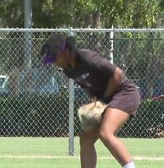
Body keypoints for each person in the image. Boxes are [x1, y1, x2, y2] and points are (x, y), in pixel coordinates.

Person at [40, 33, 141, 168]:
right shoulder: (68, 70)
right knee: (86, 139)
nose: (53, 62)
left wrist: (103, 101)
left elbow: (118, 75)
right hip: (107, 98)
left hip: (125, 93)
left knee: (106, 133)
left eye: (54, 57)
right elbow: (89, 86)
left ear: (65, 51)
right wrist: (94, 103)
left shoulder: (87, 57)